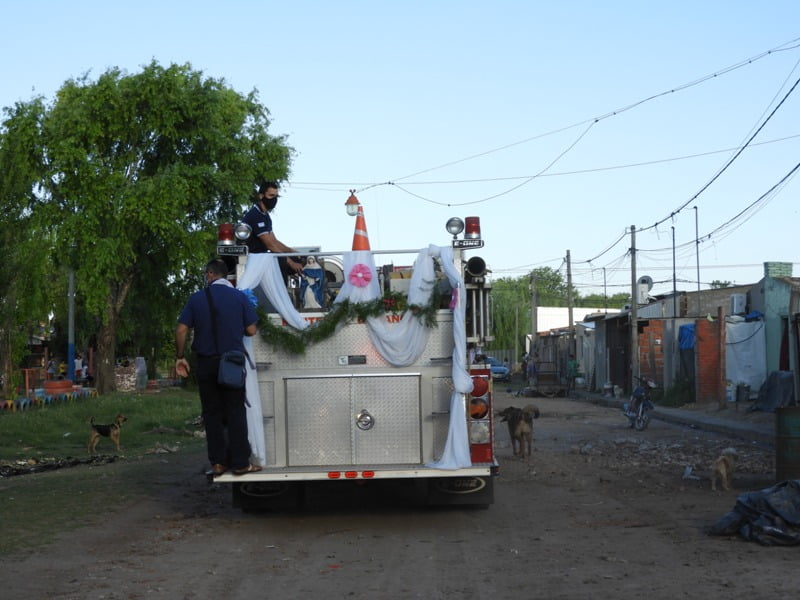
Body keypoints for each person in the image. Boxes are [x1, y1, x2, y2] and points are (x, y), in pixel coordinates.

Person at [175, 259, 261, 476]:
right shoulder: (239, 297)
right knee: (235, 411)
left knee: (212, 413)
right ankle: (240, 463)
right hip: (231, 363)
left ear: (210, 274)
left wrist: (180, 357)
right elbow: (252, 330)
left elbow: (181, 330)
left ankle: (218, 463)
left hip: (206, 363)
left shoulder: (197, 298)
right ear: (226, 276)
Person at [241, 181, 304, 277]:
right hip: (254, 258)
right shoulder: (256, 215)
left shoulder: (265, 216)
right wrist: (291, 263)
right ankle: (282, 285)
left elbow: (274, 241)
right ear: (261, 196)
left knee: (298, 259)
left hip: (263, 256)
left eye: (276, 196)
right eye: (271, 196)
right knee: (283, 261)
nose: (274, 199)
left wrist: (292, 252)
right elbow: (270, 245)